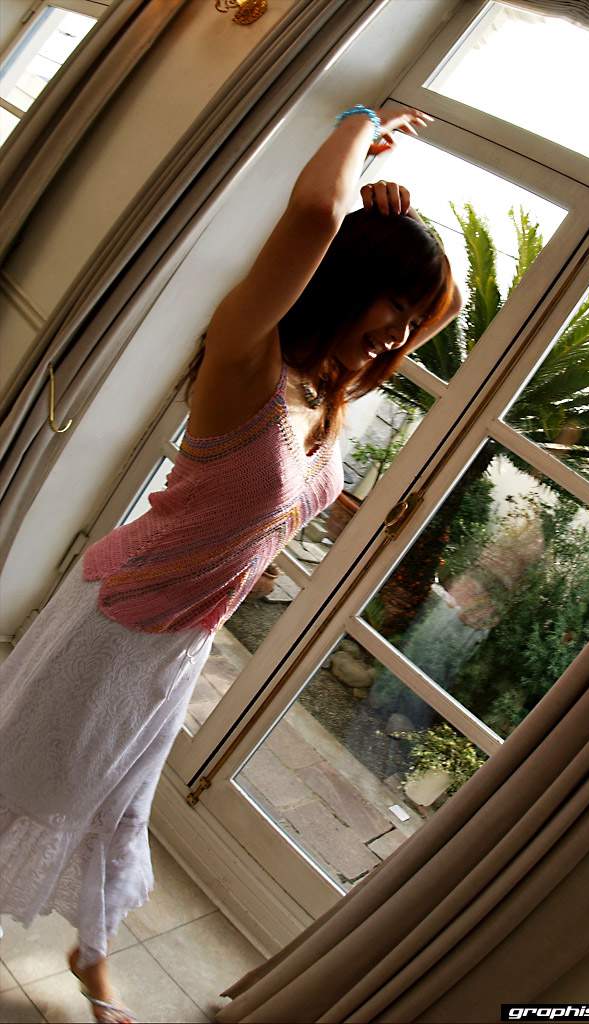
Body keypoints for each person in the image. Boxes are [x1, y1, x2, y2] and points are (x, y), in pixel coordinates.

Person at [0, 102, 462, 1023]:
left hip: (178, 644)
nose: (400, 335)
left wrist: (390, 243)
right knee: (29, 777)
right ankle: (93, 956)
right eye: (397, 306)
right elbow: (315, 216)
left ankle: (93, 953)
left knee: (120, 802)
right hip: (115, 623)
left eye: (416, 322)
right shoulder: (243, 359)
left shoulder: (323, 397)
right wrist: (360, 125)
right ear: (349, 280)